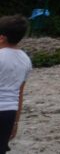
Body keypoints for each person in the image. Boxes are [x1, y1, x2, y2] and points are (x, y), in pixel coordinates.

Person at [0, 15, 31, 154]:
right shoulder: (25, 60)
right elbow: (20, 93)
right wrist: (16, 122)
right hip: (9, 113)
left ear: (2, 38)